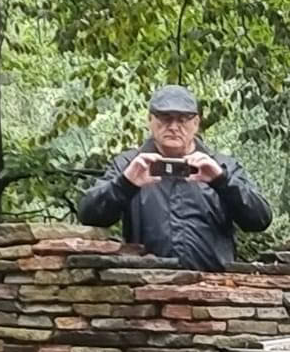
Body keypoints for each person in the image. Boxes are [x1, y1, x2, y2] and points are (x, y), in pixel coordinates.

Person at [76, 84, 272, 272]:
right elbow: (89, 215)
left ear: (196, 123)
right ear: (150, 121)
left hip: (213, 287)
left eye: (182, 119)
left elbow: (260, 219)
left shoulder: (221, 166)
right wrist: (125, 184)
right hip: (146, 285)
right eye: (165, 118)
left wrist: (221, 181)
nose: (173, 127)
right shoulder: (129, 165)